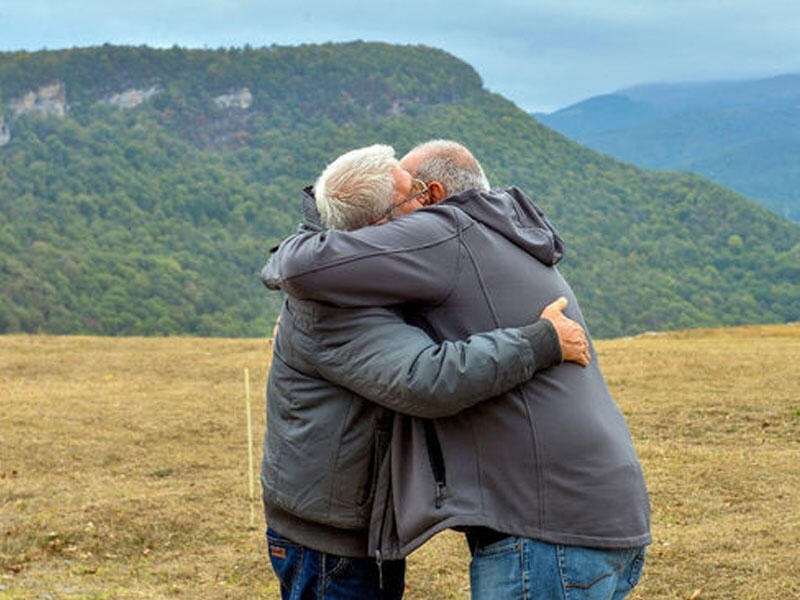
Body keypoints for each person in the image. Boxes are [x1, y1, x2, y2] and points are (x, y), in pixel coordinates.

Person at [263, 140, 651, 600]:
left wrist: (542, 341)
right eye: (413, 197)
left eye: (425, 195)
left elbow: (420, 374)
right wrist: (541, 340)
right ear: (377, 229)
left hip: (550, 532)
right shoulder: (486, 233)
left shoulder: (438, 239)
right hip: (331, 536)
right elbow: (421, 377)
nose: (423, 206)